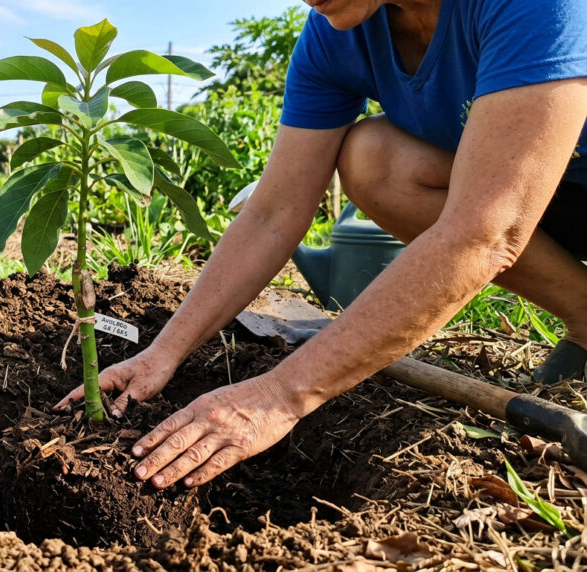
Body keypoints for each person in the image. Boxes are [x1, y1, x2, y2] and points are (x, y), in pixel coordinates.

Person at [55, 0, 587, 490]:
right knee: (374, 160)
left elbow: (484, 233)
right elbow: (272, 213)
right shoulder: (338, 32)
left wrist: (279, 394)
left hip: (535, 200)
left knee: (479, 215)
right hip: (548, 196)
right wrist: (163, 352)